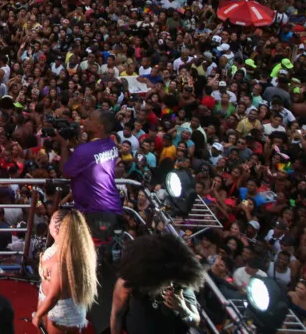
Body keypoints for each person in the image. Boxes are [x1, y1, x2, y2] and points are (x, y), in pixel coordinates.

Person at [110, 233, 205, 334]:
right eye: (166, 281)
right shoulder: (131, 281)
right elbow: (117, 314)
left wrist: (182, 308)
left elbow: (195, 321)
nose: (171, 285)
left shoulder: (181, 285)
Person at [60, 110, 123, 242]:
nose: (85, 121)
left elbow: (65, 173)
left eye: (89, 118)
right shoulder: (110, 144)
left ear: (99, 126)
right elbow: (90, 154)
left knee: (93, 255)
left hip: (95, 210)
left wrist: (64, 146)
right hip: (109, 207)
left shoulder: (83, 151)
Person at [32, 210, 97, 334]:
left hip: (61, 313)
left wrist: (38, 315)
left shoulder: (62, 261)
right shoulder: (75, 249)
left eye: (50, 221)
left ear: (56, 229)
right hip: (52, 305)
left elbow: (54, 296)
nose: (48, 223)